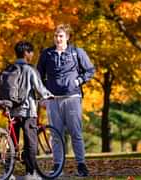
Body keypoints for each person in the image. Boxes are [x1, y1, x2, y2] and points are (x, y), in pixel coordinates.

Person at [37, 24, 95, 177]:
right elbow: (38, 76)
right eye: (56, 35)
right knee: (56, 134)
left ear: (67, 37)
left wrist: (77, 81)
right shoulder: (46, 54)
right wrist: (43, 95)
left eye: (61, 35)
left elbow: (90, 70)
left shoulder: (77, 52)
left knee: (76, 133)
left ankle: (81, 165)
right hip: (53, 100)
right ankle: (57, 166)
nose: (58, 38)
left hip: (72, 98)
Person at [8, 41, 54, 180]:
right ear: (27, 53)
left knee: (11, 141)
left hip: (11, 110)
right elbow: (39, 87)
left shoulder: (9, 68)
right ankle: (31, 173)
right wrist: (49, 95)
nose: (33, 55)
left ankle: (7, 173)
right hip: (27, 110)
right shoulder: (30, 69)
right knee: (30, 142)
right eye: (31, 52)